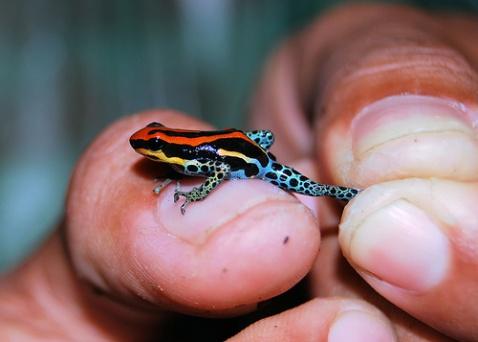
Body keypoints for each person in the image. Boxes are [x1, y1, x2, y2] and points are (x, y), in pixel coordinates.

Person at [1, 4, 477, 341]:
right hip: (244, 149)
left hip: (256, 162)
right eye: (151, 145)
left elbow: (212, 175)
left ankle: (348, 192)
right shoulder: (180, 158)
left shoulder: (193, 159)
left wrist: (193, 193)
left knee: (305, 187)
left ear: (164, 146)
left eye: (153, 144)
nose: (145, 148)